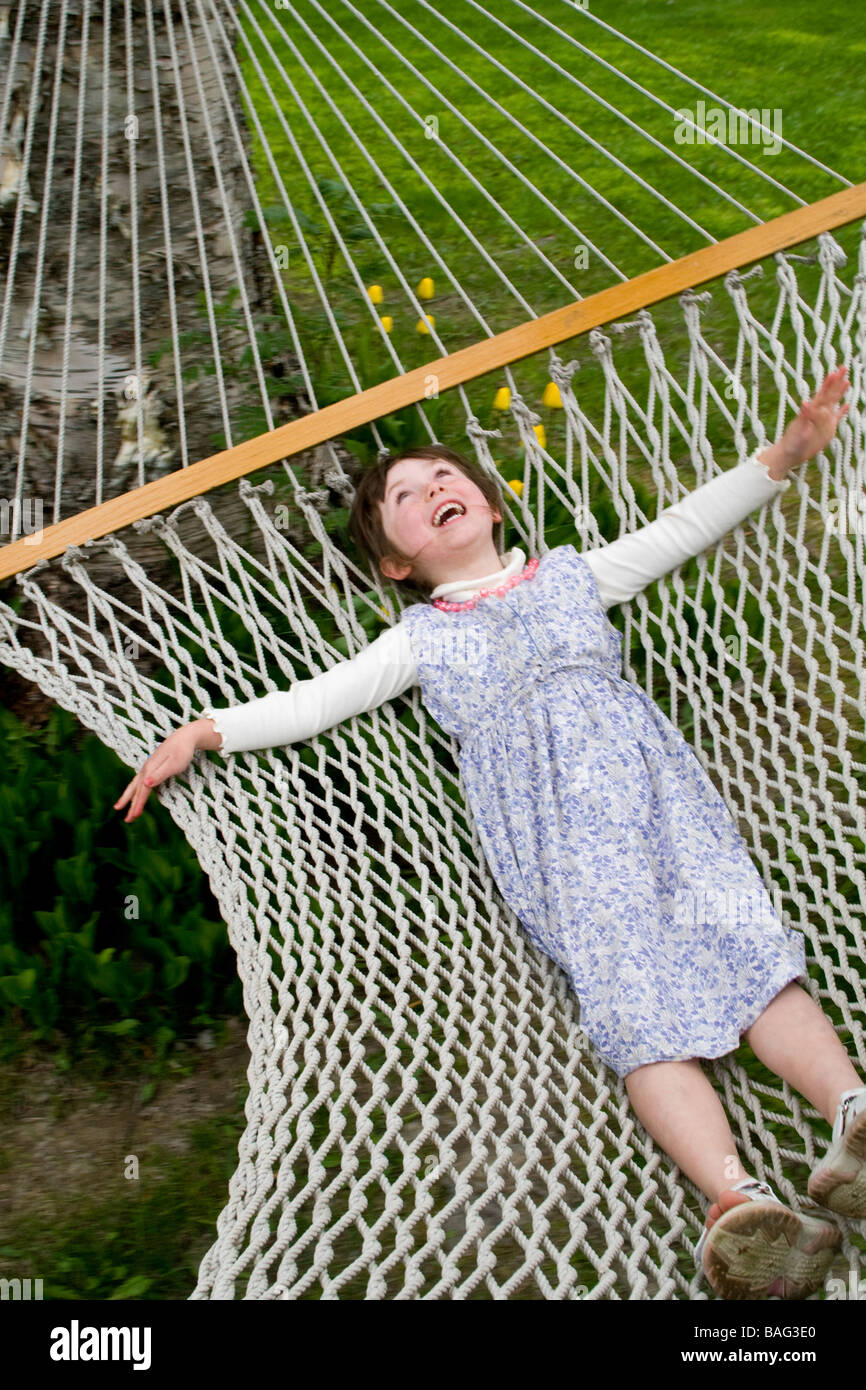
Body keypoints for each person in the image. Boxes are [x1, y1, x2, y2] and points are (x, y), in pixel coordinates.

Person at [114, 366, 865, 1301]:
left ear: (490, 505)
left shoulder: (571, 575)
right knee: (635, 1016)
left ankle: (852, 1116)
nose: (433, 490)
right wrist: (204, 732)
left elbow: (680, 528)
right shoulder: (416, 639)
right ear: (395, 560)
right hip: (562, 852)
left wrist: (784, 458)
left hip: (668, 808)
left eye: (445, 478)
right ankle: (738, 1204)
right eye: (406, 494)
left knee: (755, 956)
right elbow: (314, 702)